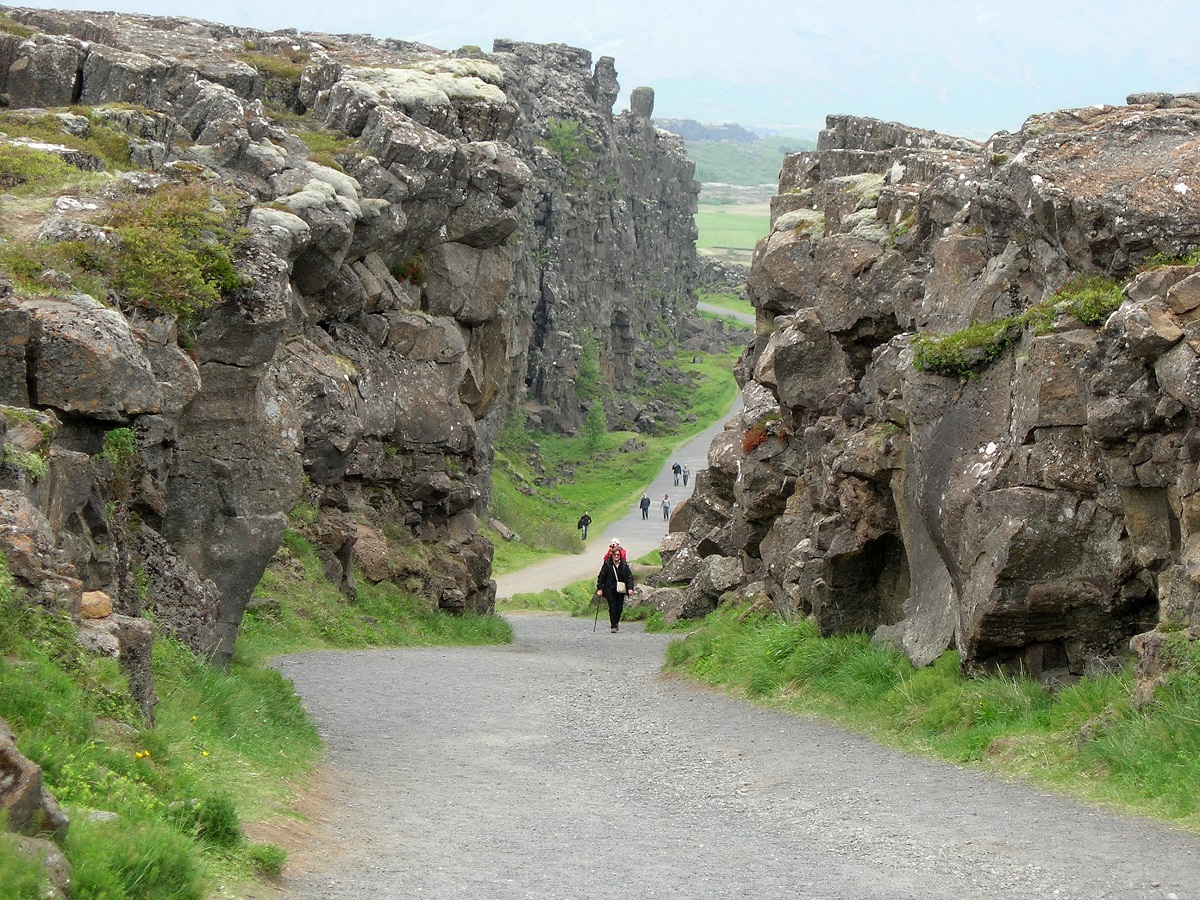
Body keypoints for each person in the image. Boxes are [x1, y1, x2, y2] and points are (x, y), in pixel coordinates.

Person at [596, 539, 634, 632]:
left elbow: (629, 577)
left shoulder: (624, 565)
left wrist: (630, 588)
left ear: (620, 555)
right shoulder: (607, 564)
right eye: (614, 555)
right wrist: (599, 589)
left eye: (618, 555)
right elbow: (601, 577)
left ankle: (616, 622)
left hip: (620, 590)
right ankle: (613, 625)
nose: (616, 556)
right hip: (610, 589)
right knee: (612, 607)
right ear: (612, 555)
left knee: (619, 608)